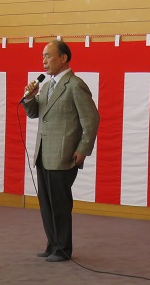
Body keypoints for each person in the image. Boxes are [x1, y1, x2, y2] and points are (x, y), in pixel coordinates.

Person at [22, 40, 100, 262]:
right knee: (46, 204)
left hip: (64, 154)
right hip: (43, 154)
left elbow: (91, 120)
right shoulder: (47, 85)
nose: (43, 61)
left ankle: (63, 249)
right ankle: (52, 245)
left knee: (60, 204)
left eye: (48, 56)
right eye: (42, 56)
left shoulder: (75, 85)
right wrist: (30, 96)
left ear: (63, 58)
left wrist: (83, 150)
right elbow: (35, 113)